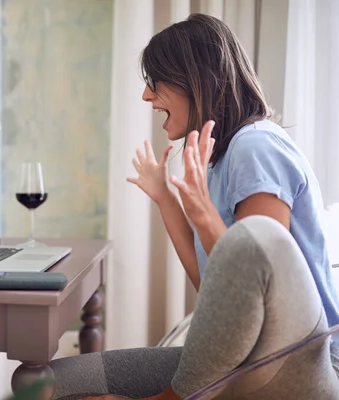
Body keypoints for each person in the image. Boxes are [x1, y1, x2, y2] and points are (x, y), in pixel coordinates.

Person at [49, 13, 339, 400]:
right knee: (49, 383)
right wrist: (167, 198)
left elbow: (257, 296)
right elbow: (216, 292)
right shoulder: (223, 160)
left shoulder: (255, 147)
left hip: (297, 363)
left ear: (194, 80)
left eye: (155, 82)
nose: (146, 96)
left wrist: (202, 212)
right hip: (247, 359)